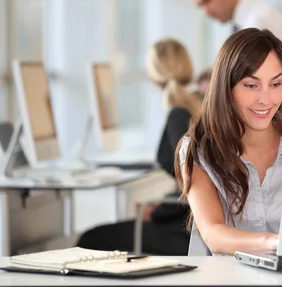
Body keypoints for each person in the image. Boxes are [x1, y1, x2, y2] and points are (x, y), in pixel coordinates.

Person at [174, 28, 282, 256]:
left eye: (275, 84)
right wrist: (275, 243)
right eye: (251, 85)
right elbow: (213, 233)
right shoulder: (199, 149)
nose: (265, 99)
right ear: (226, 87)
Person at [77, 38, 206, 255]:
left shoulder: (178, 114)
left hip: (185, 231)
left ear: (154, 74)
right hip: (191, 224)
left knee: (90, 239)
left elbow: (191, 180)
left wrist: (159, 212)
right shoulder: (197, 104)